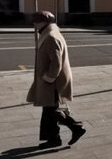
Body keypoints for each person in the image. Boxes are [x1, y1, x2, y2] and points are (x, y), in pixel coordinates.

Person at [26, 10, 85, 148]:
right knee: (49, 110)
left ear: (44, 22)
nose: (34, 24)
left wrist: (49, 78)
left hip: (53, 82)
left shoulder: (51, 37)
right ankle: (55, 138)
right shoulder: (49, 34)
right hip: (51, 81)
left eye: (36, 21)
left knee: (51, 110)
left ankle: (75, 128)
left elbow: (56, 63)